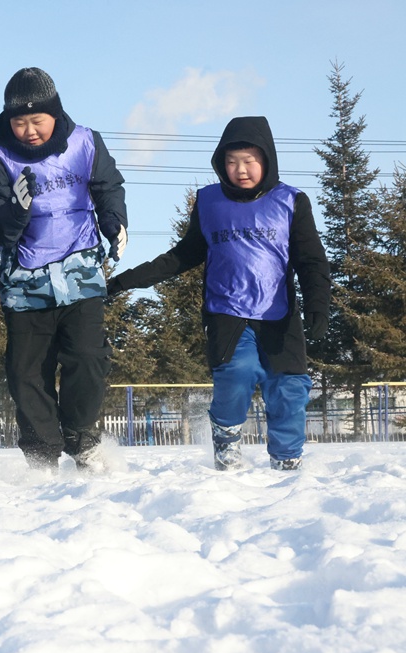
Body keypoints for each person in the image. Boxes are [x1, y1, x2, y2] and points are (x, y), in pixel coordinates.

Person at [108, 116, 330, 471]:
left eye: (249, 161)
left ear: (267, 160)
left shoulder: (291, 202)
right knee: (238, 372)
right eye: (231, 162)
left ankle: (287, 459)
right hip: (227, 311)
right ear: (221, 164)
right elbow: (184, 254)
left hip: (279, 312)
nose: (240, 170)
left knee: (288, 386)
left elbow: (312, 260)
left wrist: (319, 306)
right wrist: (126, 280)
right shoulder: (210, 202)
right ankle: (226, 440)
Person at [0, 67, 127, 471]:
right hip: (26, 283)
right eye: (19, 122)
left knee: (88, 358)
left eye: (37, 120)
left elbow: (107, 187)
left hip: (80, 273)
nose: (29, 130)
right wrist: (15, 210)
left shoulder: (85, 142)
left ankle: (82, 438)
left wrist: (115, 222)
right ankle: (41, 451)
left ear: (56, 115)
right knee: (27, 371)